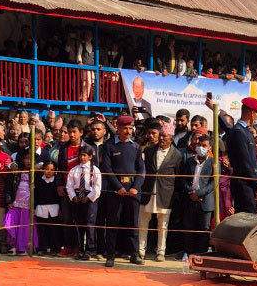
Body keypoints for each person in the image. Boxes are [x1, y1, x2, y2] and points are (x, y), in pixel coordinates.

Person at [101, 114, 145, 266]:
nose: (128, 131)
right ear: (117, 128)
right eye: (125, 128)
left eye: (130, 128)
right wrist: (118, 187)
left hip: (132, 191)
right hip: (115, 191)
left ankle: (135, 254)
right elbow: (106, 169)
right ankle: (110, 256)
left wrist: (136, 188)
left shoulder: (136, 146)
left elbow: (141, 170)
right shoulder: (109, 146)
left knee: (133, 224)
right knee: (113, 224)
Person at [138, 121, 182, 261]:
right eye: (161, 135)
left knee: (163, 224)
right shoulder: (149, 151)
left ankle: (161, 252)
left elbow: (179, 176)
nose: (162, 138)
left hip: (165, 193)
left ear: (171, 138)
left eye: (165, 136)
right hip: (148, 191)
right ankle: (140, 250)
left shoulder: (177, 155)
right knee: (143, 221)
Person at [225, 97, 257, 214]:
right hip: (244, 184)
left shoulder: (246, 131)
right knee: (247, 218)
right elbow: (245, 162)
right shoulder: (238, 132)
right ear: (252, 113)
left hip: (250, 183)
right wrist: (256, 185)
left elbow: (254, 160)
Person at [66, 142, 102, 258]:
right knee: (78, 224)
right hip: (77, 197)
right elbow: (69, 186)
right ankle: (80, 248)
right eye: (81, 155)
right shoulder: (74, 170)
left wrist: (88, 197)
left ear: (90, 156)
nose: (82, 157)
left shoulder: (95, 170)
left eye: (85, 155)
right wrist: (73, 196)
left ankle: (90, 249)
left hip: (89, 198)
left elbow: (97, 187)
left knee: (89, 223)